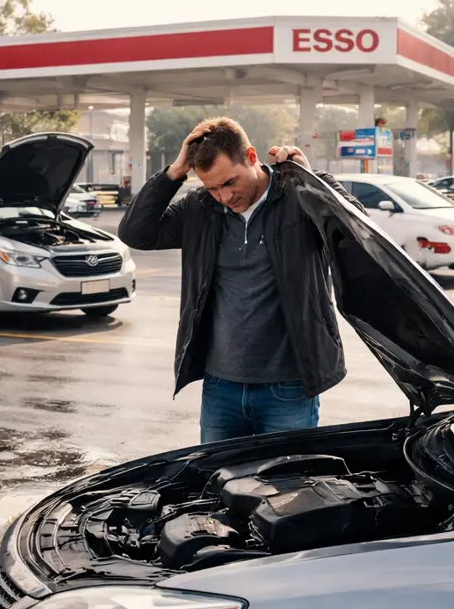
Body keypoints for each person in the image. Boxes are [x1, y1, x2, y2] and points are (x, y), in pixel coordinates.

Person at [118, 117, 365, 444]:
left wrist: (312, 181)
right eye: (212, 187)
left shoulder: (297, 199)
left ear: (251, 156)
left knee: (288, 486)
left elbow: (356, 232)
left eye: (229, 182)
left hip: (290, 387)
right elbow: (136, 233)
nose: (224, 196)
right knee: (221, 487)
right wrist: (175, 172)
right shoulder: (201, 209)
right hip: (221, 388)